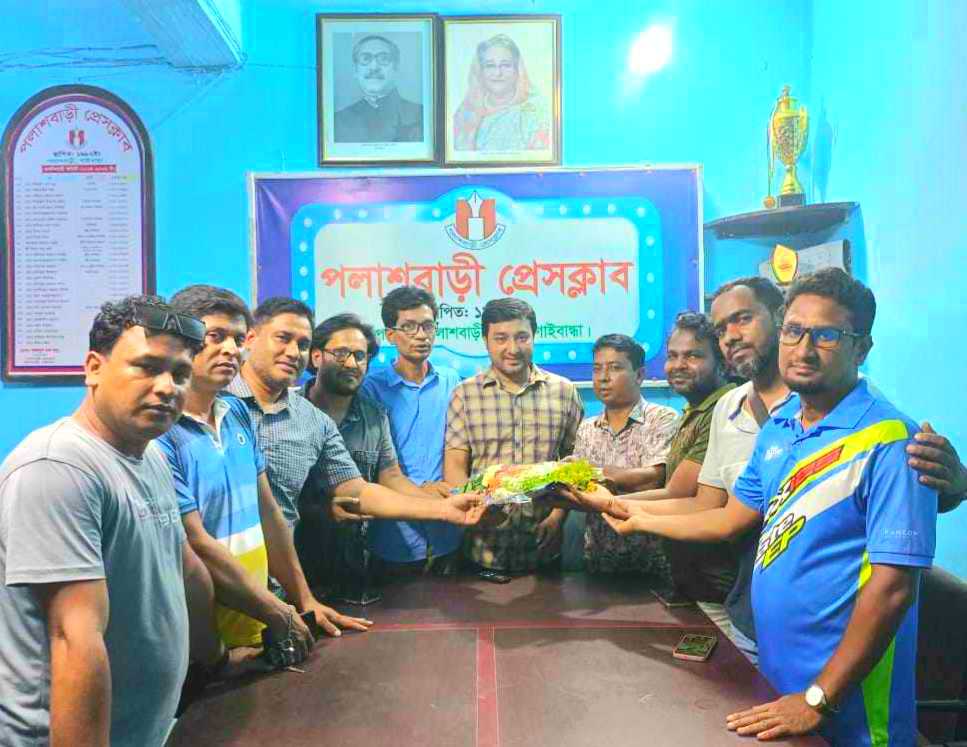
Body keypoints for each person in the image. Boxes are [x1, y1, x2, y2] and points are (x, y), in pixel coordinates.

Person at [601, 269, 942, 744]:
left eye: (827, 335)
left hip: (851, 704)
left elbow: (892, 590)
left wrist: (818, 699)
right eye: (794, 331)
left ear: (861, 349)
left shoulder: (892, 441)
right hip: (781, 680)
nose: (804, 349)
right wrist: (632, 515)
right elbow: (730, 517)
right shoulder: (781, 427)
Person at [0, 296, 226, 745]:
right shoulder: (58, 467)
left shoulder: (151, 455)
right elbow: (74, 639)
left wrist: (215, 657)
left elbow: (184, 568)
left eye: (180, 374)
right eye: (147, 367)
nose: (167, 387)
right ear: (94, 368)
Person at [160, 285, 372, 660]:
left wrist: (303, 601)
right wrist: (278, 613)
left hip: (255, 627)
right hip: (197, 641)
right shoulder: (161, 433)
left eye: (237, 338)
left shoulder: (236, 414)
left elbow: (269, 514)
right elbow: (195, 544)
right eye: (215, 336)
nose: (230, 349)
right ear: (180, 341)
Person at [225, 298, 482, 601]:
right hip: (229, 569)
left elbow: (363, 487)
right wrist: (320, 510)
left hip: (322, 573)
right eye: (341, 353)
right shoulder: (216, 402)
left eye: (360, 356)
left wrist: (444, 507)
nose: (351, 363)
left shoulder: (321, 420)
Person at [444, 297, 584, 574]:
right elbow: (455, 468)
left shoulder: (564, 391)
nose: (512, 348)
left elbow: (575, 464)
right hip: (482, 548)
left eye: (522, 337)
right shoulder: (465, 394)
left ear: (534, 337)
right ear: (485, 341)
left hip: (544, 548)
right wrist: (476, 508)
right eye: (501, 338)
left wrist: (558, 517)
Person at [360, 287, 465, 574]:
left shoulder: (451, 381)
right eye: (409, 327)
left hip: (448, 533)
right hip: (394, 537)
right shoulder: (370, 389)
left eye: (428, 326)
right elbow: (369, 465)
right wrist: (420, 490)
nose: (421, 335)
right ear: (390, 335)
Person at [572, 333, 679, 581]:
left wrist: (591, 472)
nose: (603, 377)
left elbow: (653, 478)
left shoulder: (663, 419)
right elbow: (578, 487)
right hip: (598, 562)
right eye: (597, 369)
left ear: (639, 375)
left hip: (653, 562)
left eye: (615, 368)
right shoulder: (587, 428)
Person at [452, 34, 550, 152]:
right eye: (490, 66)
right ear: (480, 72)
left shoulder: (535, 111)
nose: (498, 73)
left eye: (505, 65)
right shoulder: (465, 113)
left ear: (518, 70)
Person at [334, 34, 423, 143]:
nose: (374, 67)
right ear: (355, 70)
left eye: (383, 59)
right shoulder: (337, 121)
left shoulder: (421, 115)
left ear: (396, 68)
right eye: (365, 59)